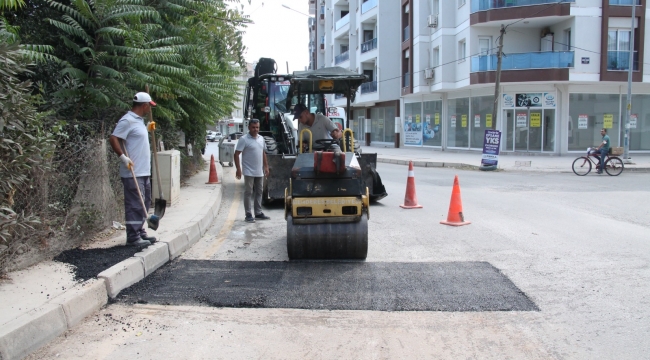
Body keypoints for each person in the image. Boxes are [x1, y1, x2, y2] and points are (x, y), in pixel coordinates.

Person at [109, 92, 158, 247]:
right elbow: (114, 137)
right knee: (135, 203)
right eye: (149, 106)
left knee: (144, 201)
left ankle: (141, 232)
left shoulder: (138, 121)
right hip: (132, 172)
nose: (150, 109)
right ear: (144, 106)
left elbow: (136, 139)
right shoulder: (127, 120)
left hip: (143, 171)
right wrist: (123, 157)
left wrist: (147, 130)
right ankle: (133, 236)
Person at [234, 119, 270, 223]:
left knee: (259, 191)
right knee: (248, 192)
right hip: (249, 171)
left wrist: (266, 167)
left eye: (257, 127)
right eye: (253, 127)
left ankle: (258, 213)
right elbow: (236, 154)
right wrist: (238, 169)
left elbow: (263, 153)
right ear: (249, 127)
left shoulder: (261, 139)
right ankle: (248, 214)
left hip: (259, 171)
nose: (255, 129)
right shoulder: (244, 139)